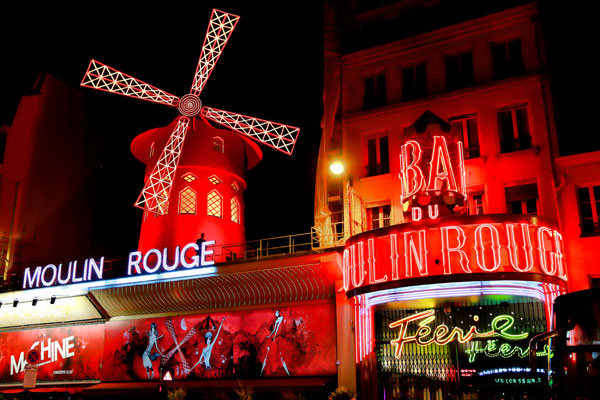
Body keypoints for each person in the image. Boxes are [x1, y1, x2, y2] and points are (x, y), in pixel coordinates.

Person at [260, 310, 290, 376]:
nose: (276, 313)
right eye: (275, 312)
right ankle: (261, 373)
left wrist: (273, 337)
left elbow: (277, 330)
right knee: (268, 355)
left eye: (277, 312)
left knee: (280, 356)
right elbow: (274, 330)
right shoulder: (276, 319)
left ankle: (288, 374)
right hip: (275, 337)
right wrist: (270, 336)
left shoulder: (280, 318)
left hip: (277, 338)